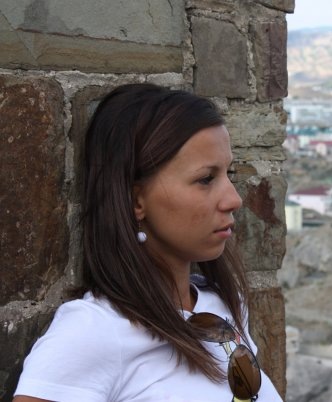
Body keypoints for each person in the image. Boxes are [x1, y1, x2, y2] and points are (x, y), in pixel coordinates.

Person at [13, 83, 283, 402]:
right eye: (206, 179)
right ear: (136, 200)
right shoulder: (92, 331)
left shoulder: (222, 302)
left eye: (229, 173)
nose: (234, 199)